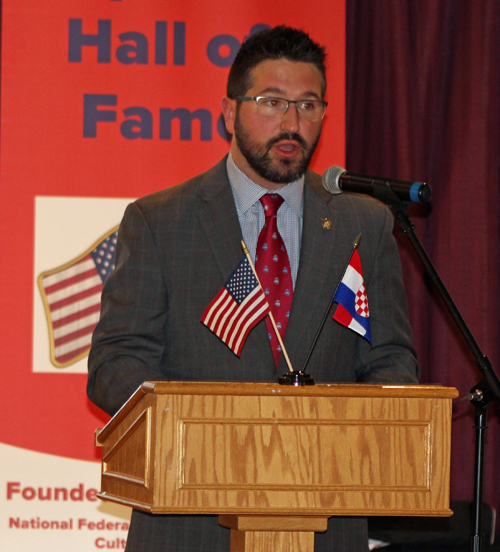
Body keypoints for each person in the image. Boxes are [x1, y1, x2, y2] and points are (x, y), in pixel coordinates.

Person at [88, 25, 419, 552]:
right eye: (272, 102)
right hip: (187, 520)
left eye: (308, 106)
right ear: (228, 112)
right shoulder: (159, 221)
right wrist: (205, 438)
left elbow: (391, 359)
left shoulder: (365, 223)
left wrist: (362, 427)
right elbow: (115, 364)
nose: (292, 123)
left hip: (326, 521)